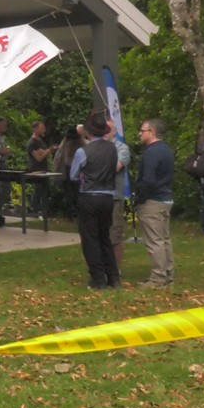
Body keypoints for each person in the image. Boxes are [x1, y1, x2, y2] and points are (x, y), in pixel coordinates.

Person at [69, 111, 120, 289]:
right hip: (107, 196)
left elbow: (73, 175)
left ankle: (98, 279)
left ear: (89, 132)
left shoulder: (83, 151)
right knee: (104, 237)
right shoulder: (112, 148)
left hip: (89, 195)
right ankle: (114, 277)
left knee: (90, 238)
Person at [134, 119, 176, 288]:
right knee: (164, 238)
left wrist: (140, 198)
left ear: (152, 132)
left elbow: (148, 180)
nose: (139, 133)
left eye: (142, 130)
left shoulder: (151, 152)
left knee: (154, 240)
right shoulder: (166, 150)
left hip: (153, 200)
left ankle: (158, 277)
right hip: (165, 197)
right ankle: (168, 272)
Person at [104, 121, 132, 268]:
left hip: (114, 197)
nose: (105, 132)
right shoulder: (95, 147)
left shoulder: (122, 148)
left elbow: (115, 167)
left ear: (114, 132)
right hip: (98, 197)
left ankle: (116, 270)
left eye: (108, 130)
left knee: (115, 235)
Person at [25, 120, 58, 215]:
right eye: (41, 128)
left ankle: (44, 210)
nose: (44, 130)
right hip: (36, 169)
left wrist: (49, 151)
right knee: (38, 189)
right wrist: (48, 151)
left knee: (45, 190)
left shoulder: (40, 141)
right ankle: (35, 209)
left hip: (44, 168)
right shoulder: (32, 143)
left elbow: (43, 153)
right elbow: (39, 157)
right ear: (35, 129)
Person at [52, 127, 84, 216]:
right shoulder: (80, 143)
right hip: (76, 169)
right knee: (76, 192)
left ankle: (70, 212)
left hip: (67, 169)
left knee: (69, 192)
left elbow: (59, 157)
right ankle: (76, 212)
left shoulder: (65, 142)